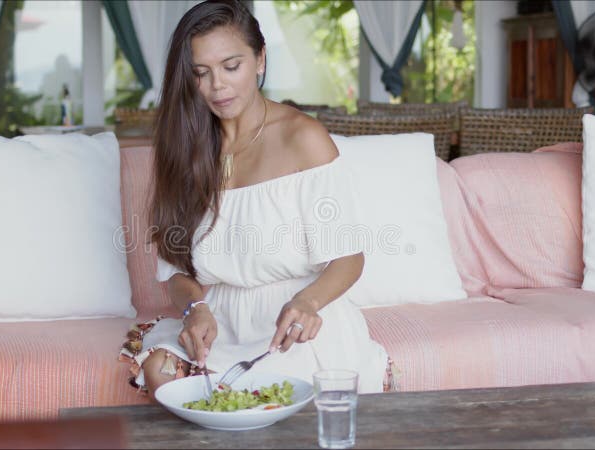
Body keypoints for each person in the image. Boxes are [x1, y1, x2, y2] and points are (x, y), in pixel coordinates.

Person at [121, 0, 394, 396]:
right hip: (223, 320)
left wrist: (308, 302)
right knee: (161, 370)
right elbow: (177, 273)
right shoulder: (183, 149)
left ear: (260, 59)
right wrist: (194, 310)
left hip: (295, 322)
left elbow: (348, 257)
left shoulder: (303, 138)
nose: (218, 86)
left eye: (232, 67)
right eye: (201, 73)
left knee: (277, 392)